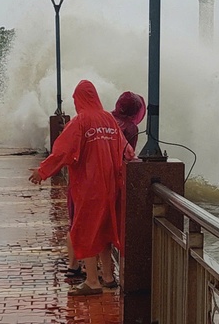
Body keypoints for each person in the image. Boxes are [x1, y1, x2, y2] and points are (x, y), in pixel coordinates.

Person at [29, 80, 133, 296]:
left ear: (79, 100)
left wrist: (42, 171)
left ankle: (92, 282)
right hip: (111, 187)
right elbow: (128, 151)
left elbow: (62, 151)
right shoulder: (110, 120)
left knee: (85, 231)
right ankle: (108, 277)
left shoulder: (81, 121)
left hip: (89, 188)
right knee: (105, 231)